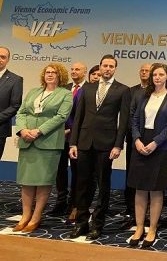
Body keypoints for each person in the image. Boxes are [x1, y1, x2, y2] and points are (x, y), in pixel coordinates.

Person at [69, 54, 131, 240]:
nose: (107, 69)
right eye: (105, 65)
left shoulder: (123, 90)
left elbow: (124, 121)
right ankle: (81, 223)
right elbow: (78, 117)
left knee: (103, 185)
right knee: (82, 184)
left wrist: (118, 145)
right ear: (100, 67)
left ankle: (97, 224)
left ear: (115, 69)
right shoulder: (87, 88)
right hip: (84, 142)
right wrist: (73, 142)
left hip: (106, 144)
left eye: (111, 66)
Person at [13, 63, 72, 232]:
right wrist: (22, 130)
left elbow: (61, 116)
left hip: (48, 142)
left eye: (54, 72)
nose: (50, 75)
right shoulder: (34, 92)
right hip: (27, 141)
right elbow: (21, 112)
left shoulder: (65, 94)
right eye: (47, 72)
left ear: (60, 76)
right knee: (26, 180)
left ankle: (36, 217)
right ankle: (25, 216)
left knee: (43, 181)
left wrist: (39, 131)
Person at [127, 63, 167, 248]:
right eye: (154, 75)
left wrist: (155, 142)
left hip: (160, 147)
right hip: (140, 144)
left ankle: (152, 228)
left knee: (156, 189)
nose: (157, 77)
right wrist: (136, 140)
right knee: (140, 189)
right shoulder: (144, 95)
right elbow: (134, 119)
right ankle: (139, 228)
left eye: (161, 74)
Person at [50, 61, 88, 220]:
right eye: (72, 69)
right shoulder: (63, 88)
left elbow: (86, 116)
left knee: (77, 172)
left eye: (77, 69)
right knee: (60, 171)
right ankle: (60, 203)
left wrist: (72, 130)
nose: (74, 71)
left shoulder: (89, 89)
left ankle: (75, 205)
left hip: (78, 138)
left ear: (85, 72)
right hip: (60, 136)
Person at [121, 63, 152, 228]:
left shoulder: (157, 92)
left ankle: (148, 211)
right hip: (133, 140)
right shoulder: (131, 91)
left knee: (148, 177)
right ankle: (130, 209)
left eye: (148, 71)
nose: (144, 73)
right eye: (142, 70)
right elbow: (127, 116)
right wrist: (134, 137)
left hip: (151, 141)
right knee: (131, 175)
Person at [0, 46, 23, 159]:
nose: (0, 59)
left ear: (8, 60)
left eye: (3, 57)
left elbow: (15, 105)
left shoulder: (16, 80)